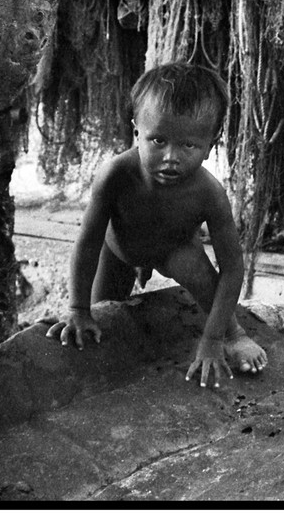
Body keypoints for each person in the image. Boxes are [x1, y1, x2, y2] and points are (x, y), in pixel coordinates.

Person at [45, 62, 267, 387]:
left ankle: (236, 334)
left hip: (174, 249)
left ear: (210, 144)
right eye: (158, 140)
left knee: (198, 271)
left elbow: (232, 268)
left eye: (189, 145)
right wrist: (78, 309)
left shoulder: (210, 193)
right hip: (118, 248)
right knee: (97, 322)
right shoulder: (114, 175)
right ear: (137, 132)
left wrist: (214, 339)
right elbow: (88, 242)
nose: (171, 157)